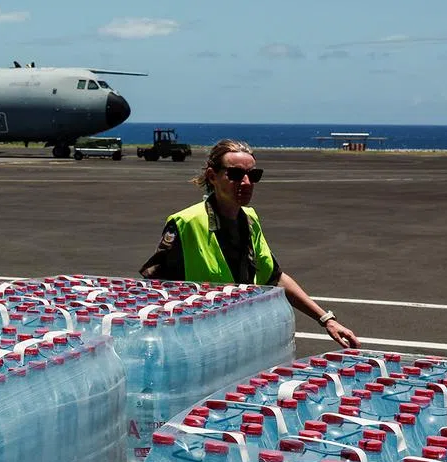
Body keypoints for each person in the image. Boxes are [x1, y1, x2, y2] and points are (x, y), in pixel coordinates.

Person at [140, 138, 360, 348]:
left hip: (242, 339)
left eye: (253, 175)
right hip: (198, 344)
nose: (245, 183)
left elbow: (274, 277)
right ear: (212, 176)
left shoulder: (249, 219)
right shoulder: (185, 223)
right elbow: (156, 290)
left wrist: (326, 319)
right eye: (235, 174)